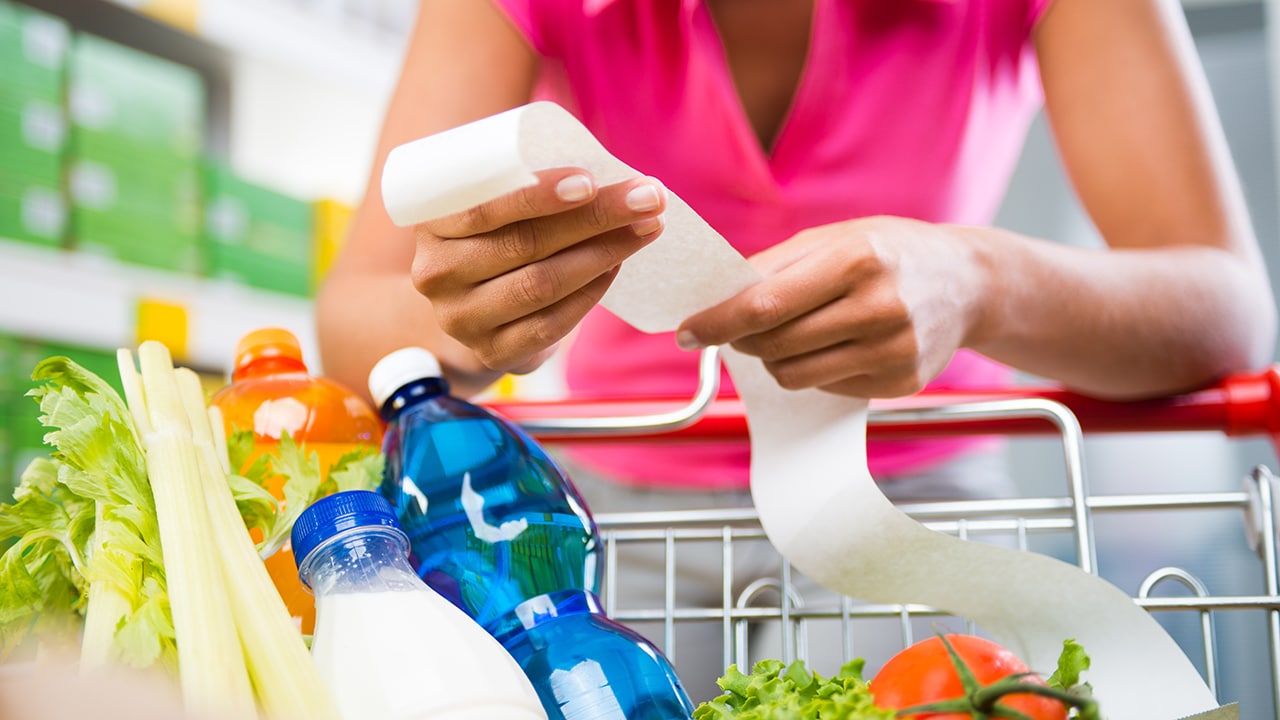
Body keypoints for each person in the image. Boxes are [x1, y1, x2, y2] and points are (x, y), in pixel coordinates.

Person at [316, 0, 1278, 700]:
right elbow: (356, 314)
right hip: (608, 518)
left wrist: (980, 279)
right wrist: (472, 320)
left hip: (909, 495)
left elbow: (1229, 307)